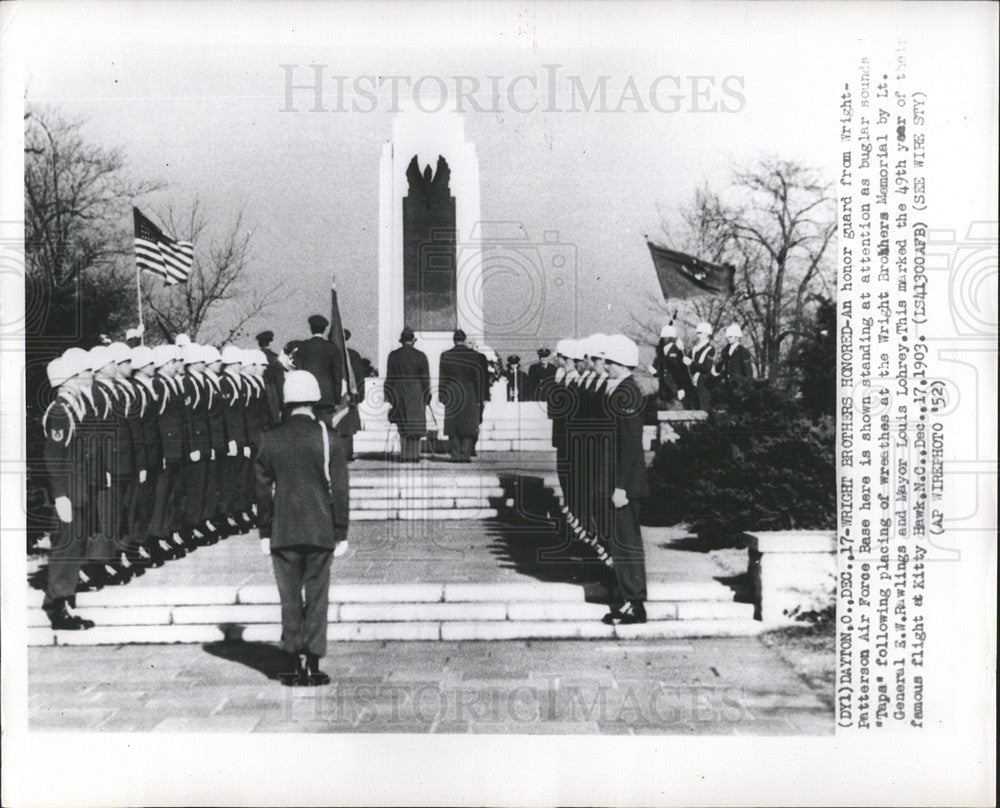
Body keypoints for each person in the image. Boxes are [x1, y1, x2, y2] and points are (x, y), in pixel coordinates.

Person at [254, 370, 350, 687]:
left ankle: (293, 662)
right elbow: (340, 490)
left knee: (290, 598)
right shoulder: (327, 436)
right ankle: (313, 662)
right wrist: (341, 531)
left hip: (283, 530)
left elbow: (262, 489)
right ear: (314, 399)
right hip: (321, 527)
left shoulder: (270, 437)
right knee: (317, 596)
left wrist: (265, 531)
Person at [40, 350, 97, 629]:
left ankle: (63, 599)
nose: (90, 376)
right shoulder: (61, 410)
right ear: (71, 378)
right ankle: (58, 605)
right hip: (69, 493)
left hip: (79, 489)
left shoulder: (74, 406)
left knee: (75, 547)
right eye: (84, 372)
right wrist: (60, 494)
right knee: (66, 549)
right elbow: (54, 454)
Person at [599, 334, 649, 625]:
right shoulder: (623, 389)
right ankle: (629, 599)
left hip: (625, 485)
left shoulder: (627, 391)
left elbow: (629, 444)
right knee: (621, 543)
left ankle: (636, 603)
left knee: (627, 543)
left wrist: (620, 486)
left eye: (609, 361)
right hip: (622, 482)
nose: (605, 365)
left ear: (619, 363)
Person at [438, 329, 487, 462]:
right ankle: (465, 455)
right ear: (464, 340)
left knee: (453, 424)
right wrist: (480, 397)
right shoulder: (474, 356)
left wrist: (442, 396)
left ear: (454, 340)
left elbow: (442, 378)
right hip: (469, 391)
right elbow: (479, 378)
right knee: (468, 423)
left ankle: (455, 454)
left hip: (452, 391)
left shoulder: (445, 355)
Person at [384, 326, 431, 463]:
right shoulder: (420, 355)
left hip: (399, 391)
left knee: (402, 425)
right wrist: (427, 395)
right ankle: (414, 455)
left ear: (401, 340)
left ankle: (405, 455)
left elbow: (389, 377)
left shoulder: (393, 355)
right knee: (415, 424)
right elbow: (425, 378)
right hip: (416, 392)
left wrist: (388, 396)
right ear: (413, 340)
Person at [294, 314, 345, 428]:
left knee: (307, 430)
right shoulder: (332, 348)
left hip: (306, 396)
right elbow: (338, 375)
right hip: (327, 397)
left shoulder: (303, 346)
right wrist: (337, 399)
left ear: (311, 329)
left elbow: (299, 372)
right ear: (324, 329)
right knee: (326, 430)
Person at [652, 323, 694, 410]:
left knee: (676, 410)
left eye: (667, 337)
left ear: (672, 338)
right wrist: (655, 372)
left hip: (675, 386)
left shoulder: (678, 350)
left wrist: (681, 387)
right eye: (664, 337)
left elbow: (683, 370)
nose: (665, 338)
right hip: (663, 387)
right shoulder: (660, 352)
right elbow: (661, 370)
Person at [684, 321, 717, 413]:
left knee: (704, 409)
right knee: (692, 409)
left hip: (704, 382)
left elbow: (706, 367)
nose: (698, 335)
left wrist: (691, 362)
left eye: (700, 333)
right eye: (697, 333)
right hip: (693, 382)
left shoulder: (710, 348)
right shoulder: (694, 349)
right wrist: (681, 349)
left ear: (707, 334)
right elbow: (686, 362)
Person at [714, 323, 754, 396]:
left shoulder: (743, 352)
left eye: (731, 336)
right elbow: (722, 367)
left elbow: (748, 372)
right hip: (726, 386)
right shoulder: (725, 351)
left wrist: (745, 387)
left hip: (739, 387)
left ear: (737, 337)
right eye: (728, 337)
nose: (728, 338)